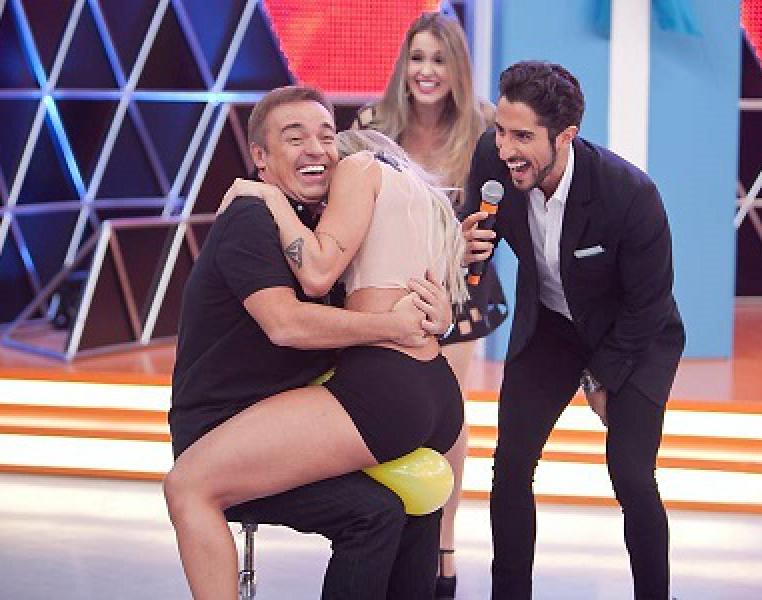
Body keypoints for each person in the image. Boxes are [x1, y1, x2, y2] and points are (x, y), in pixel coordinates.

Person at [164, 86, 468, 599]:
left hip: (312, 414)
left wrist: (432, 319)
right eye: (295, 137)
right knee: (373, 510)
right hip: (224, 423)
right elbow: (287, 325)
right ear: (260, 157)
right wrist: (395, 327)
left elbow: (367, 298)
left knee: (382, 511)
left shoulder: (317, 226)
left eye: (327, 136)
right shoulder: (252, 217)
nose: (317, 148)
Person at [463, 61, 686, 599]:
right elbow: (477, 241)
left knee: (631, 475)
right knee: (511, 466)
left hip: (633, 334)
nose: (506, 148)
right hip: (552, 326)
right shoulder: (492, 160)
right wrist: (463, 247)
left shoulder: (628, 193)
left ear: (565, 136)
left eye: (522, 137)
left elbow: (649, 302)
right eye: (501, 130)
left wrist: (601, 377)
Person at [352, 13, 505, 596]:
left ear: (457, 68)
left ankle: (443, 541)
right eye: (417, 58)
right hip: (384, 290)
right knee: (390, 407)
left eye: (439, 60)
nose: (427, 71)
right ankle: (387, 533)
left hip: (460, 289)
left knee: (445, 415)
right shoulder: (372, 124)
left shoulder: (484, 128)